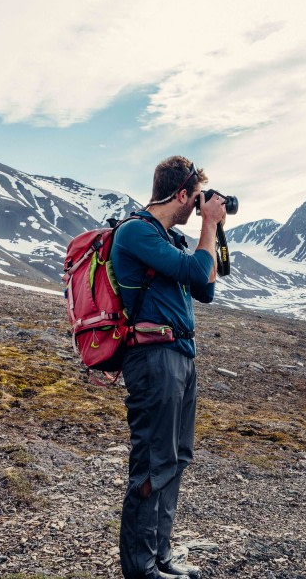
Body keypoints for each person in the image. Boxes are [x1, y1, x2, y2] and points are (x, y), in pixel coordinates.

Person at [112, 156, 226, 579]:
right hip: (153, 357)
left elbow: (207, 286)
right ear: (181, 194)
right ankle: (139, 567)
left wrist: (214, 231)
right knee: (153, 462)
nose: (198, 206)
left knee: (177, 458)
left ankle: (160, 557)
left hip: (179, 356)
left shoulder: (169, 240)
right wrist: (209, 226)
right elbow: (194, 269)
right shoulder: (137, 231)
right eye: (195, 198)